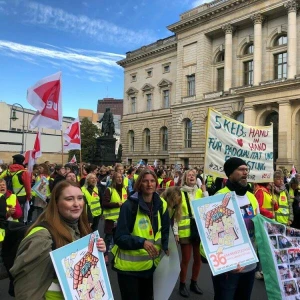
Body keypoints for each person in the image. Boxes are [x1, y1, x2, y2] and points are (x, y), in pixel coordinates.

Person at [10, 180, 106, 299]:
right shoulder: (42, 237)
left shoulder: (81, 228)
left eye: (80, 198)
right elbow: (27, 289)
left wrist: (98, 251)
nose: (77, 204)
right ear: (56, 203)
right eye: (69, 199)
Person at [112, 169, 170, 300]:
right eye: (145, 181)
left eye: (152, 181)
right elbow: (120, 238)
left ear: (156, 183)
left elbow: (166, 230)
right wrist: (141, 242)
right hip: (129, 270)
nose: (149, 184)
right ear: (139, 184)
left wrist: (167, 246)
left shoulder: (162, 204)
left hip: (150, 267)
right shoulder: (129, 206)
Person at [212, 157, 259, 300]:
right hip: (229, 267)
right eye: (241, 169)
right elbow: (212, 235)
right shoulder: (219, 197)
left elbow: (258, 227)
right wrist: (227, 262)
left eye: (246, 169)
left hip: (250, 263)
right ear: (230, 173)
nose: (245, 172)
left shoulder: (251, 197)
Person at [175, 169, 207, 298]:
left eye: (193, 175)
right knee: (186, 259)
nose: (191, 176)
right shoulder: (179, 193)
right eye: (189, 175)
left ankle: (194, 283)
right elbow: (176, 214)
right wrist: (176, 231)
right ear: (185, 178)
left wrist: (205, 191)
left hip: (198, 230)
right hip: (185, 231)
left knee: (198, 260)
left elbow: (208, 205)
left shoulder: (200, 192)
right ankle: (182, 284)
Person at [102, 171, 128, 264]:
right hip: (111, 219)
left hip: (121, 219)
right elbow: (104, 203)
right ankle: (105, 255)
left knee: (119, 239)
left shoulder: (125, 189)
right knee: (108, 239)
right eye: (117, 177)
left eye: (121, 177)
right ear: (114, 179)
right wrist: (116, 204)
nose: (120, 179)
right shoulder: (109, 190)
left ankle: (117, 255)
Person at [0, 154, 31, 221]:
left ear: (14, 160)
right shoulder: (24, 173)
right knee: (19, 214)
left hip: (7, 195)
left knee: (5, 210)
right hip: (21, 197)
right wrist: (28, 196)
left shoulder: (7, 171)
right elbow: (28, 187)